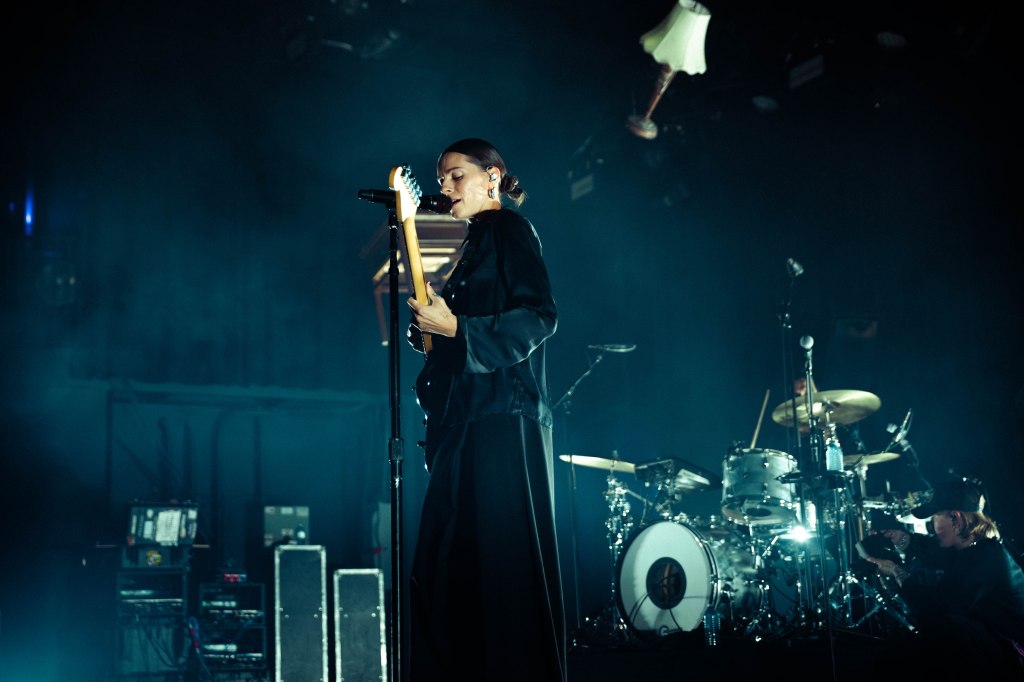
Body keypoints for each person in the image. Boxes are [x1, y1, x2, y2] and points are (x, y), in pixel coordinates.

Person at [405, 138, 566, 681]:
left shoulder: (509, 229)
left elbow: (539, 316)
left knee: (501, 572)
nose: (445, 187)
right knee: (448, 570)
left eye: (456, 176)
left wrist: (457, 329)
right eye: (441, 179)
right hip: (462, 419)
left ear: (492, 177)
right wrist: (433, 334)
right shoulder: (468, 245)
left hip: (502, 416)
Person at [864, 477, 1024, 678]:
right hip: (997, 643)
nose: (931, 527)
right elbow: (933, 550)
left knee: (935, 633)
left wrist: (897, 572)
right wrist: (901, 539)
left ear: (956, 518)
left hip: (1013, 654)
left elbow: (936, 606)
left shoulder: (986, 558)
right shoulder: (975, 547)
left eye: (935, 518)